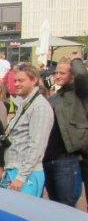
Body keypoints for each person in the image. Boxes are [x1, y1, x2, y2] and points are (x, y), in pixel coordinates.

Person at [0, 64, 54, 197]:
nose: (16, 84)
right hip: (14, 170)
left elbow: (37, 145)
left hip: (25, 175)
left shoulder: (40, 107)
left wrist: (21, 177)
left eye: (21, 80)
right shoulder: (25, 104)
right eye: (15, 80)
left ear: (34, 80)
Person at [44, 55, 88, 207]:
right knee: (56, 205)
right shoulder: (54, 98)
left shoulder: (80, 93)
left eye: (62, 73)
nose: (57, 76)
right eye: (56, 72)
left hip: (73, 155)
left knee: (67, 205)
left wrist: (76, 61)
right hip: (53, 157)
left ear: (72, 75)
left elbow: (82, 76)